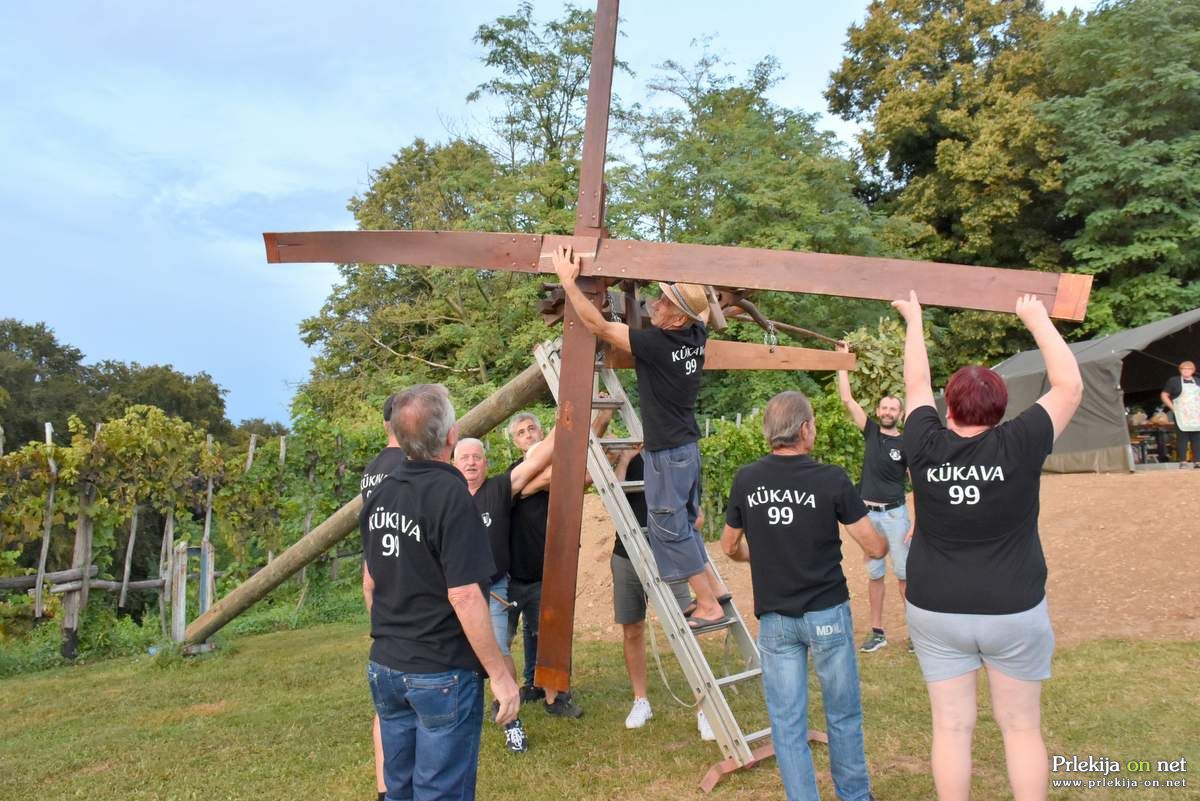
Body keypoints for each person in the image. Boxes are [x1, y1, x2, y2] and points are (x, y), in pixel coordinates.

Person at [894, 292, 1082, 801]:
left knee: (952, 729)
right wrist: (1035, 316)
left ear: (948, 406)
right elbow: (1069, 385)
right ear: (1001, 408)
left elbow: (914, 385)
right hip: (1013, 606)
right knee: (1020, 729)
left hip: (936, 608)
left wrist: (915, 319)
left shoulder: (924, 441)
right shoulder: (1019, 441)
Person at [721, 390, 887, 801]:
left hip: (776, 619)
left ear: (769, 433)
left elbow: (728, 546)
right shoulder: (830, 478)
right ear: (806, 429)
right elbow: (874, 547)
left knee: (787, 722)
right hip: (827, 612)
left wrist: (758, 556)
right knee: (843, 714)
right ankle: (854, 796)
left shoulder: (747, 479)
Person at [552, 245, 727, 630]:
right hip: (687, 448)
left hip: (668, 453)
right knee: (686, 519)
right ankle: (714, 586)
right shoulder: (695, 335)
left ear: (678, 316)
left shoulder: (656, 345)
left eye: (664, 301)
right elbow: (702, 310)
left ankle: (708, 604)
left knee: (668, 528)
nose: (655, 303)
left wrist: (568, 280)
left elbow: (598, 326)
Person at [361, 384, 519, 801]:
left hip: (386, 668)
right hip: (440, 672)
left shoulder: (379, 494)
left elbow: (371, 581)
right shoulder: (452, 495)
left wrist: (393, 638)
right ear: (450, 437)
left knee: (400, 789)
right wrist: (501, 677)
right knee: (439, 792)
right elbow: (465, 595)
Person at [451, 432, 554, 752]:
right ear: (453, 464)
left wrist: (571, 414)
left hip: (493, 588)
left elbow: (535, 461)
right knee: (450, 656)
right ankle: (451, 717)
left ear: (486, 463)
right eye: (464, 457)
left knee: (497, 651)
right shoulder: (446, 496)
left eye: (476, 457)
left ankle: (512, 723)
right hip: (452, 591)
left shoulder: (498, 489)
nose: (470, 461)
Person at [608, 442, 694, 730]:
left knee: (686, 624)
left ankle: (704, 704)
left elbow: (696, 509)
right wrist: (626, 460)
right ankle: (640, 701)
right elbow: (613, 500)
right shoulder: (627, 456)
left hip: (668, 554)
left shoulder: (674, 456)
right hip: (627, 554)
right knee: (632, 629)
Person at [505, 411, 584, 717]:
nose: (528, 434)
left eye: (532, 429)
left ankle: (556, 697)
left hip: (548, 569)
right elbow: (536, 481)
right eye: (521, 432)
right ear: (516, 442)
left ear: (541, 433)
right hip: (515, 571)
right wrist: (539, 482)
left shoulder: (562, 467)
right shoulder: (514, 471)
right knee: (514, 635)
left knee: (547, 632)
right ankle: (531, 685)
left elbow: (558, 477)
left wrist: (535, 485)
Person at [835, 342, 912, 653]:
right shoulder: (870, 432)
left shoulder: (907, 443)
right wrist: (842, 360)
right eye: (884, 407)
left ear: (901, 414)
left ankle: (917, 635)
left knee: (905, 576)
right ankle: (877, 632)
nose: (887, 412)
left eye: (893, 408)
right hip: (868, 517)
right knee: (874, 575)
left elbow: (916, 484)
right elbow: (846, 398)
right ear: (878, 411)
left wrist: (916, 522)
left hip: (896, 516)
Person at [361, 394, 407, 801]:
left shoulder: (372, 470)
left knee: (386, 709)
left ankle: (384, 789)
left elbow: (368, 569)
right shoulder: (410, 467)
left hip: (380, 592)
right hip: (414, 603)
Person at [1160, 360, 1199, 468]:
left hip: (1196, 415)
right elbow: (1164, 395)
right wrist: (1173, 408)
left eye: (1189, 369)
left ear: (1193, 370)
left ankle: (1198, 462)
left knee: (1197, 438)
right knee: (1182, 438)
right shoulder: (1174, 381)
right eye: (1183, 369)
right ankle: (1183, 462)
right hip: (1181, 414)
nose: (1186, 371)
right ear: (1180, 370)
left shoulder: (1198, 381)